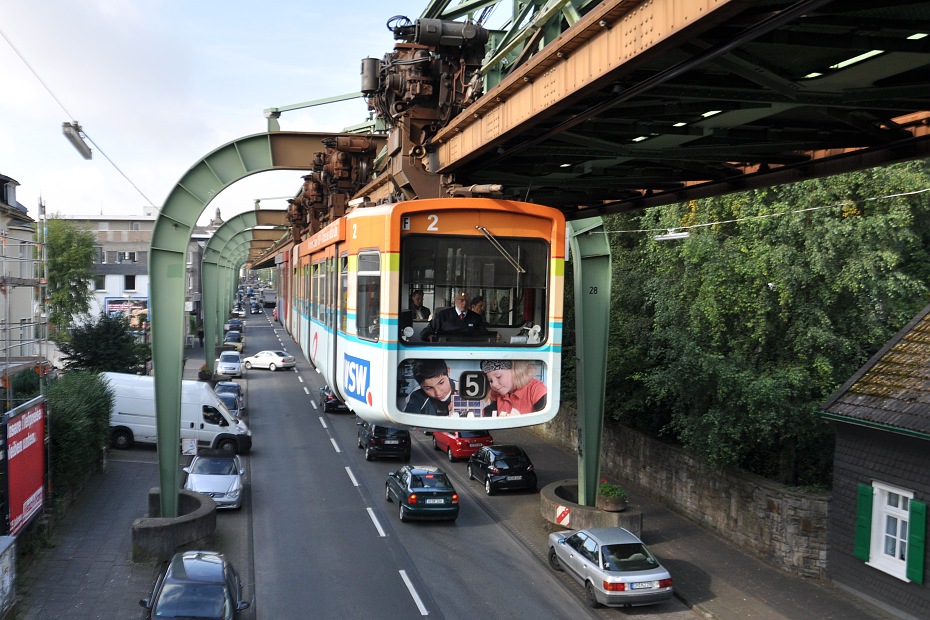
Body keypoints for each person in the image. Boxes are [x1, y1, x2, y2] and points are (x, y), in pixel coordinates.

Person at [481, 359, 547, 416]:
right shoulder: (497, 396)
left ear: (515, 371)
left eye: (498, 377)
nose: (494, 384)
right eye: (490, 381)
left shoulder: (536, 389)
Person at [419, 291, 487, 342]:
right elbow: (425, 333)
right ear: (455, 300)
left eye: (467, 301)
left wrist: (495, 336)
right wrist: (430, 337)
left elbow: (484, 335)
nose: (464, 303)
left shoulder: (476, 317)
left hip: (469, 352)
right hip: (446, 351)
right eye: (462, 300)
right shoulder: (443, 315)